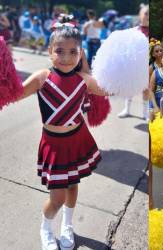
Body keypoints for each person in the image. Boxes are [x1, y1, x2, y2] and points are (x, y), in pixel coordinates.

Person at [17, 25, 110, 250]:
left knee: (72, 185)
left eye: (73, 51)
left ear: (80, 53)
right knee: (57, 198)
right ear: (49, 51)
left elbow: (109, 89)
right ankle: (45, 227)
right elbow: (16, 93)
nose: (66, 58)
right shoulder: (42, 77)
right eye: (60, 51)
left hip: (77, 140)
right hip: (54, 145)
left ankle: (67, 225)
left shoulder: (84, 79)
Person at [117, 4, 149, 119]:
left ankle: (145, 113)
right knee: (130, 87)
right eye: (146, 13)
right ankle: (127, 109)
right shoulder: (134, 31)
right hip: (133, 64)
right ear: (140, 15)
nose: (148, 16)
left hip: (147, 65)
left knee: (146, 89)